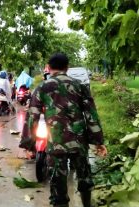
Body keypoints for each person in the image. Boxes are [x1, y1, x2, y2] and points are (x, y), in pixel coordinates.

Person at [20, 53, 107, 207]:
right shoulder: (80, 86)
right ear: (67, 67)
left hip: (55, 145)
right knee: (85, 180)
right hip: (79, 143)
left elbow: (32, 117)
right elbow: (91, 115)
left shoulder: (42, 87)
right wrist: (98, 141)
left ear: (48, 67)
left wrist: (29, 145)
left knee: (58, 188)